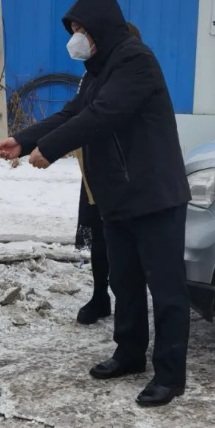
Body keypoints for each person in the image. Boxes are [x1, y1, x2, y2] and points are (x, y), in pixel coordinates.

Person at [0, 0, 191, 407]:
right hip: (117, 196)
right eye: (73, 29)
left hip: (154, 195)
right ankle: (129, 353)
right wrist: (23, 140)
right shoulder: (97, 70)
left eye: (81, 29)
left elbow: (102, 116)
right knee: (124, 282)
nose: (76, 37)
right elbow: (73, 112)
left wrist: (50, 149)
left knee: (167, 290)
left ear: (101, 26)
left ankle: (170, 375)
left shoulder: (135, 61)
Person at [74, 22, 143, 326]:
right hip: (95, 169)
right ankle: (99, 295)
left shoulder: (137, 74)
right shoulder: (92, 75)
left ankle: (129, 306)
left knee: (125, 242)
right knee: (98, 234)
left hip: (127, 171)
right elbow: (76, 115)